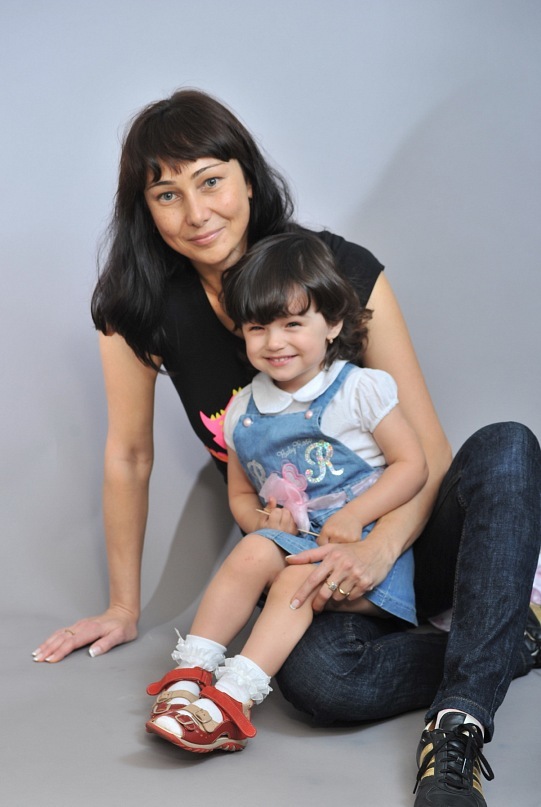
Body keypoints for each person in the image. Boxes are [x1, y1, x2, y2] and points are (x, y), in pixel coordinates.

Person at [32, 89, 540, 806]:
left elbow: (427, 449)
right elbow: (129, 456)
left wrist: (376, 546)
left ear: (248, 176)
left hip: (407, 535)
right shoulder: (139, 307)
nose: (196, 212)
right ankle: (510, 632)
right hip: (306, 561)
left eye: (210, 181)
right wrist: (122, 606)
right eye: (168, 194)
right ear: (145, 208)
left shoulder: (337, 269)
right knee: (321, 682)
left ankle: (458, 719)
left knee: (507, 445)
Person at [145, 231, 428, 752]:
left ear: (333, 324)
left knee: (291, 577)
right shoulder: (242, 410)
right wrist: (260, 522)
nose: (275, 342)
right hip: (297, 544)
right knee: (253, 549)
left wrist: (356, 516)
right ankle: (191, 675)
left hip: (364, 555)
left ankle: (233, 699)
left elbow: (413, 466)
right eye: (259, 328)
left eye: (293, 324)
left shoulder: (356, 389)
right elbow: (239, 494)